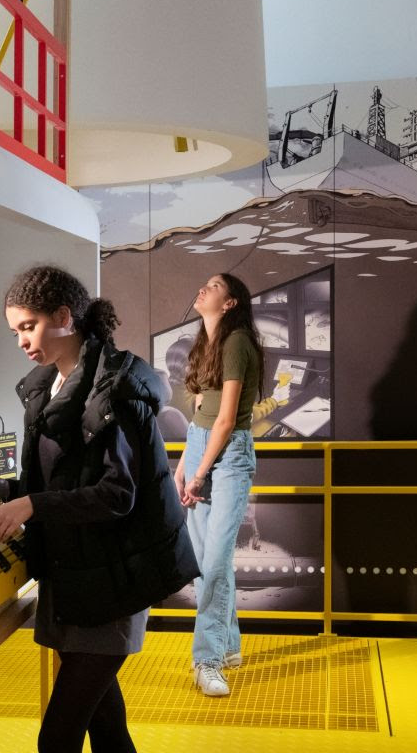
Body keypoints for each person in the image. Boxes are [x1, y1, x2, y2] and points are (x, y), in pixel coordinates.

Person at [0, 265, 199, 753]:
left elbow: (116, 494)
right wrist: (6, 488)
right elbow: (60, 484)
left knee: (57, 739)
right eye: (15, 332)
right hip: (77, 578)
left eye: (28, 326)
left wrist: (29, 503)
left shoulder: (116, 389)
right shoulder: (47, 388)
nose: (22, 342)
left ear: (64, 317)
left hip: (114, 580)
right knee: (108, 731)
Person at [175, 272, 263, 698]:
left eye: (213, 286)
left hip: (226, 457)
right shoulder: (206, 343)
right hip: (200, 447)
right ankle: (228, 645)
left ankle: (206, 659)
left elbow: (226, 420)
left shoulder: (237, 342)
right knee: (208, 560)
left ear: (230, 303)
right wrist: (185, 463)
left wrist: (198, 471)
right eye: (203, 282)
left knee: (214, 563)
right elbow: (201, 414)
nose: (203, 288)